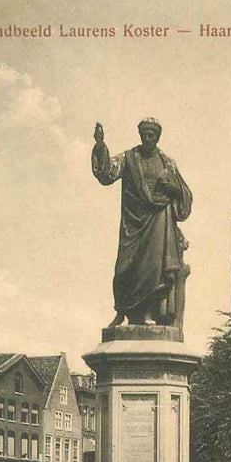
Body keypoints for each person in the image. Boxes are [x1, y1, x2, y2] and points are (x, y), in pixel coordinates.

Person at [92, 118, 192, 328]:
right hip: (133, 223)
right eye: (144, 135)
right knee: (124, 269)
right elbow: (107, 173)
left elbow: (185, 193)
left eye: (151, 135)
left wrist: (173, 190)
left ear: (157, 137)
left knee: (154, 270)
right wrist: (100, 146)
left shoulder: (167, 162)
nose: (147, 138)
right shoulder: (130, 158)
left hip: (159, 222)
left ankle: (147, 314)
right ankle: (123, 311)